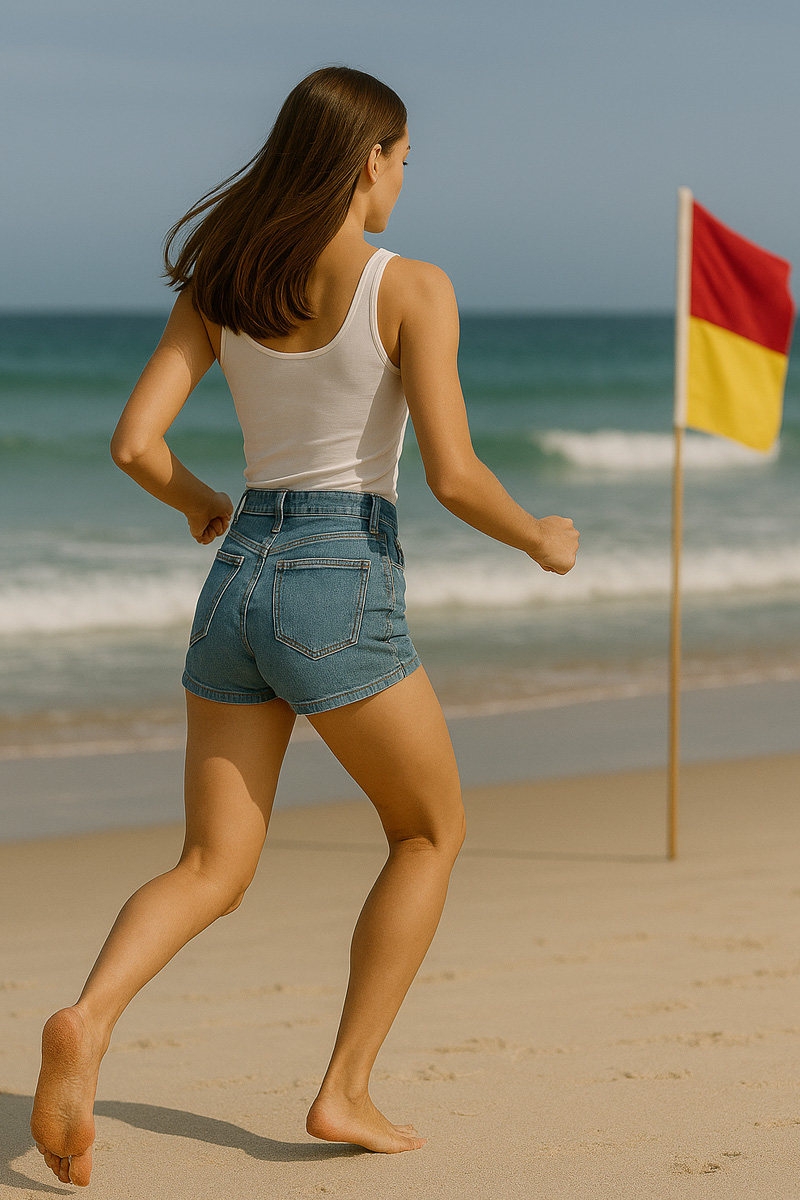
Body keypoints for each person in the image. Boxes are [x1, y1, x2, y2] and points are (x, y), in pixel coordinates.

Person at [30, 65, 579, 1185]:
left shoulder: (222, 285)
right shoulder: (408, 286)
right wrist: (539, 538)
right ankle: (344, 1088)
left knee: (209, 864)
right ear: (365, 156)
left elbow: (136, 445)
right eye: (400, 163)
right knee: (428, 830)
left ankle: (89, 1013)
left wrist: (199, 504)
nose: (400, 185)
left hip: (235, 580)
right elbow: (456, 476)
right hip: (339, 575)